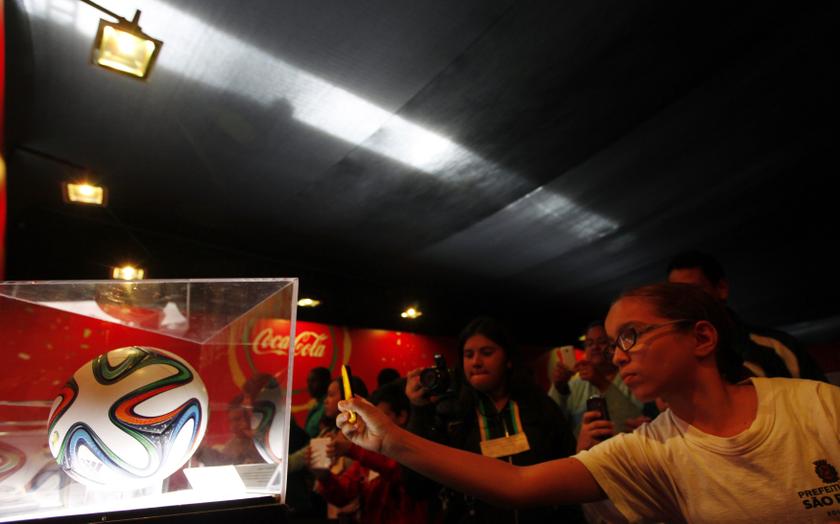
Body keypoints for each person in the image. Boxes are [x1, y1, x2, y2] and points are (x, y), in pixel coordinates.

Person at [337, 283, 840, 522]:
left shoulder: (818, 406)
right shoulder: (649, 449)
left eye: (631, 336)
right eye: (613, 343)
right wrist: (391, 440)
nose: (616, 355)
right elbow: (519, 484)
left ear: (703, 337)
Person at [404, 317, 583, 523]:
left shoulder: (539, 406)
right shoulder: (451, 415)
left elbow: (568, 472)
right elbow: (417, 487)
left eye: (487, 353)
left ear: (508, 359)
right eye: (468, 355)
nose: (476, 362)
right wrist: (419, 411)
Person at [667, 250, 827, 381]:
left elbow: (823, 403)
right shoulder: (677, 361)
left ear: (721, 289)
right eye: (677, 295)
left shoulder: (777, 349)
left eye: (694, 291)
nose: (684, 302)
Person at [318, 382, 434, 524]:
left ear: (402, 416)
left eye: (381, 417)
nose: (372, 424)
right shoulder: (367, 457)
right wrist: (324, 476)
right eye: (370, 418)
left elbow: (395, 470)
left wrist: (351, 449)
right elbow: (344, 495)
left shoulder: (412, 451)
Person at [549, 321, 646, 436]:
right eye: (589, 343)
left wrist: (601, 383)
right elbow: (552, 425)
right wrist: (560, 389)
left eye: (602, 342)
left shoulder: (630, 378)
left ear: (614, 346)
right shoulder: (575, 385)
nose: (595, 347)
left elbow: (636, 422)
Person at [304, 366, 332, 438]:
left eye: (313, 381)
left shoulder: (330, 408)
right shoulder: (315, 407)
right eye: (308, 381)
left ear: (326, 382)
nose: (309, 385)